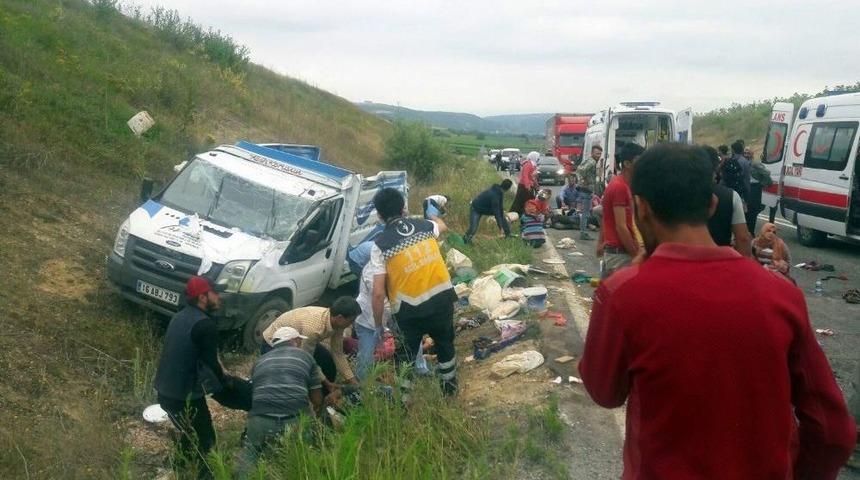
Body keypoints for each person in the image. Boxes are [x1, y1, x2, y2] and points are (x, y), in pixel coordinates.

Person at [579, 142, 855, 480]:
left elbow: (604, 392)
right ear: (712, 205)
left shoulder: (622, 294)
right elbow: (834, 432)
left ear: (642, 208)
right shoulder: (781, 294)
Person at [370, 188, 458, 395]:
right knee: (445, 344)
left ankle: (404, 400)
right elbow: (442, 226)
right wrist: (433, 214)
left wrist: (378, 326)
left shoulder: (379, 246)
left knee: (405, 358)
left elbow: (377, 293)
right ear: (403, 208)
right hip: (441, 301)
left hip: (408, 312)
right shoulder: (426, 226)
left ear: (379, 215)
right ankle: (450, 390)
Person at [154, 276, 231, 477]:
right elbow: (212, 365)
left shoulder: (179, 316)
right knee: (206, 439)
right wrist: (228, 385)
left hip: (164, 392)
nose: (220, 297)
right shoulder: (205, 325)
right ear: (203, 297)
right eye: (215, 293)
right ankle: (205, 475)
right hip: (184, 398)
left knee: (189, 432)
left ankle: (179, 466)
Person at [238, 326, 322, 473]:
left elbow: (256, 394)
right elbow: (316, 398)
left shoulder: (259, 362)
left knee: (250, 454)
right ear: (294, 341)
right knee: (305, 456)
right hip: (294, 418)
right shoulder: (306, 357)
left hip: (260, 419)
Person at [262, 297, 362, 393]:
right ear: (340, 317)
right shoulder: (313, 328)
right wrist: (326, 383)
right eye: (351, 321)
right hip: (274, 344)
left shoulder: (337, 324)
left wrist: (352, 381)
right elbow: (307, 361)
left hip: (299, 340)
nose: (351, 325)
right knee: (295, 375)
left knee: (327, 362)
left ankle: (325, 393)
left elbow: (338, 353)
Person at [597, 142, 643, 278]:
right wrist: (636, 255)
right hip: (620, 256)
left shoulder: (622, 184)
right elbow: (621, 227)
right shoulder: (620, 187)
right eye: (640, 161)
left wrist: (601, 242)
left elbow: (606, 217)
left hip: (615, 253)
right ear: (627, 164)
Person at [702, 145, 752, 257]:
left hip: (686, 262)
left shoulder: (682, 193)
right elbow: (742, 238)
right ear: (717, 165)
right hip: (721, 259)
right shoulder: (731, 196)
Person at [352, 239, 391, 381]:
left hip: (386, 314)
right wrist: (379, 326)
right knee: (366, 356)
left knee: (412, 338)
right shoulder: (372, 270)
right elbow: (378, 296)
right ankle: (363, 387)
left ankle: (420, 367)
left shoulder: (390, 263)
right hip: (368, 318)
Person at [464, 179, 512, 243]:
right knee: (473, 228)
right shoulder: (495, 195)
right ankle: (466, 240)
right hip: (476, 209)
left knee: (501, 214)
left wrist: (502, 212)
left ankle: (508, 234)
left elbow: (500, 209)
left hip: (485, 208)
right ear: (508, 189)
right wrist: (500, 227)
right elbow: (496, 213)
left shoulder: (499, 192)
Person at [574, 145, 599, 240]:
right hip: (587, 190)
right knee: (585, 213)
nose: (599, 155)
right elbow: (582, 170)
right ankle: (583, 233)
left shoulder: (588, 160)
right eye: (597, 153)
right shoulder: (592, 162)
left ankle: (583, 231)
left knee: (584, 212)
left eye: (600, 153)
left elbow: (579, 169)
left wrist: (582, 180)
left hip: (584, 190)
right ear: (592, 153)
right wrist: (585, 180)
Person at [720, 140, 748, 206]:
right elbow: (746, 178)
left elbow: (726, 177)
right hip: (742, 191)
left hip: (733, 191)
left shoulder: (732, 162)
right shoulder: (745, 161)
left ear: (733, 150)